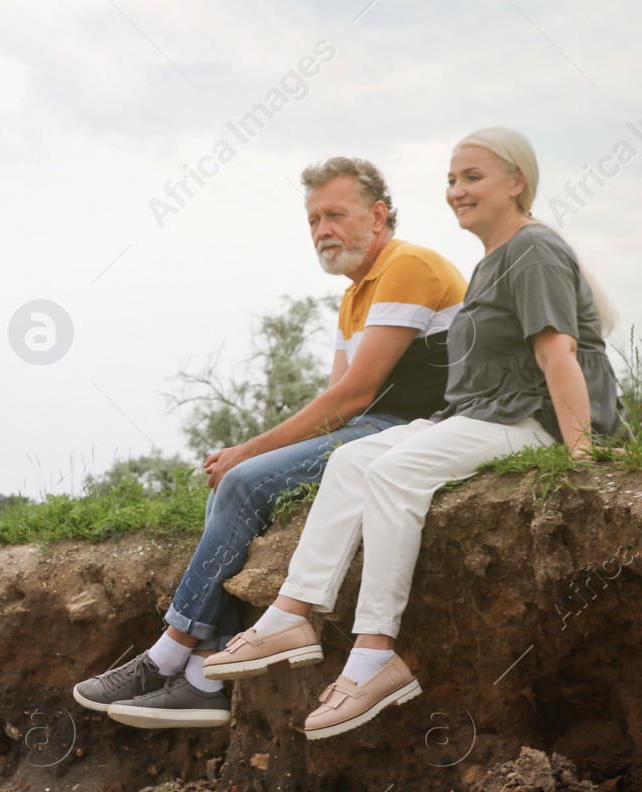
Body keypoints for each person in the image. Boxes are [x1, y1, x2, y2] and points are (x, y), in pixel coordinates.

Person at [202, 127, 623, 740]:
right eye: (451, 180)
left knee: (393, 471)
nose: (456, 190)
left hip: (533, 423)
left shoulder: (533, 250)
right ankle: (291, 615)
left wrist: (583, 453)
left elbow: (559, 354)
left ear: (517, 183)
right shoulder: (492, 261)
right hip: (487, 416)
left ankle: (376, 657)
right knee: (351, 461)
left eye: (472, 177)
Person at [73, 157, 467, 729]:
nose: (322, 231)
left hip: (412, 431)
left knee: (242, 479)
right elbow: (338, 399)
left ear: (378, 216)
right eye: (313, 220)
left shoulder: (409, 265)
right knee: (232, 493)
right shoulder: (356, 294)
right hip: (370, 429)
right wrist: (254, 453)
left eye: (336, 214)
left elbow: (354, 396)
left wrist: (250, 451)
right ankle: (207, 673)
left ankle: (170, 653)